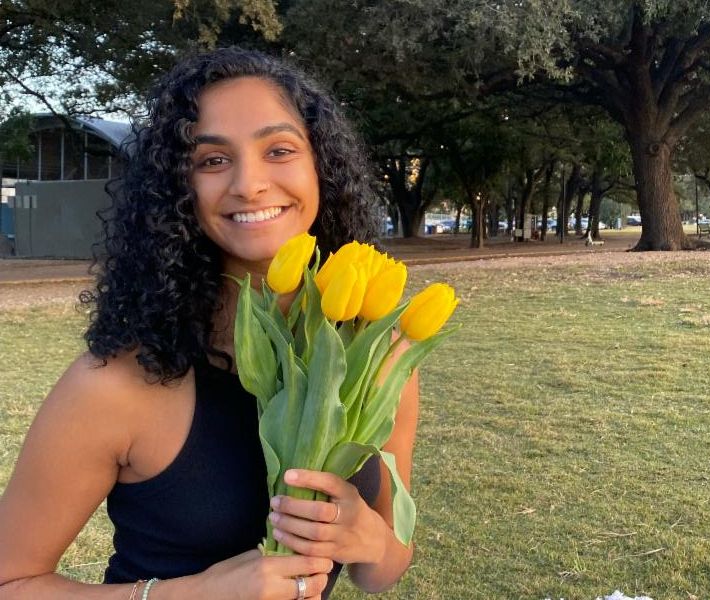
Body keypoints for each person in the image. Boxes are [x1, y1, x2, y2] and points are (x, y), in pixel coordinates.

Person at [0, 47, 419, 600]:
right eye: (212, 160)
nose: (249, 183)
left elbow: (384, 569)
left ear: (321, 166)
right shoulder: (119, 383)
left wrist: (370, 541)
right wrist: (193, 592)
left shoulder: (376, 360)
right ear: (178, 189)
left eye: (279, 149)